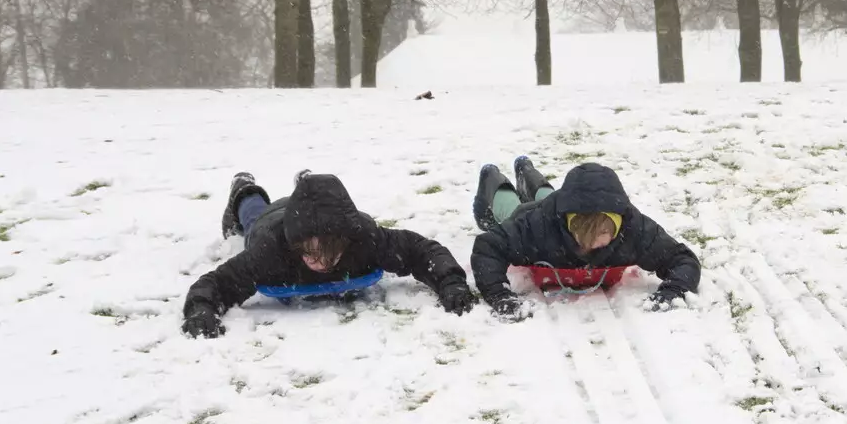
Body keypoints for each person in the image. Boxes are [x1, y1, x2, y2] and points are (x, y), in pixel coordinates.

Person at [182, 170, 476, 337]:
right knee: (252, 215)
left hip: (321, 216)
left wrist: (450, 282)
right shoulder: (271, 251)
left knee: (321, 204)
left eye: (327, 254)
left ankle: (307, 183)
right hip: (271, 220)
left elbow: (420, 250)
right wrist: (201, 310)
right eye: (309, 255)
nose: (319, 264)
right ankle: (244, 189)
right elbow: (219, 282)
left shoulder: (364, 238)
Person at [470, 156, 700, 319]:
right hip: (532, 212)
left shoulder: (633, 228)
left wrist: (673, 291)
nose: (593, 246)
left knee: (547, 196)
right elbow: (488, 248)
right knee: (512, 206)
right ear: (569, 224)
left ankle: (526, 170)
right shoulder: (537, 226)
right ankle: (492, 177)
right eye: (582, 236)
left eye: (602, 235)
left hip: (556, 204)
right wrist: (499, 294)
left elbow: (682, 259)